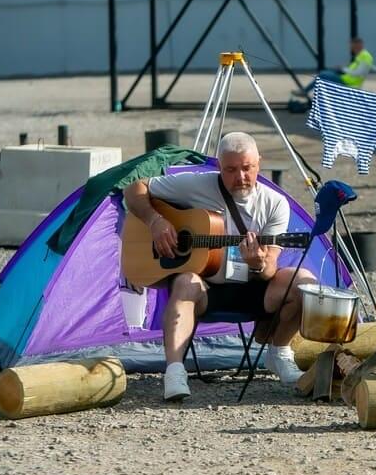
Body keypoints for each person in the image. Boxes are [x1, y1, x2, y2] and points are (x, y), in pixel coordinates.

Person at [123, 132, 314, 401]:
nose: (241, 177)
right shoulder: (196, 185)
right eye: (231, 170)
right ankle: (175, 370)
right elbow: (134, 190)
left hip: (255, 290)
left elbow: (269, 269)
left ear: (259, 162)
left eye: (247, 168)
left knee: (304, 282)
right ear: (218, 167)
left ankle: (279, 352)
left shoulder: (275, 204)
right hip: (205, 289)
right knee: (185, 281)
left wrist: (258, 264)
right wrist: (155, 221)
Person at [297, 37, 374, 96]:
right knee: (328, 72)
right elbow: (354, 69)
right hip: (345, 78)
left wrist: (344, 69)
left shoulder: (365, 56)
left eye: (352, 46)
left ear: (358, 45)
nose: (351, 48)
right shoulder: (360, 55)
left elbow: (358, 73)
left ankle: (305, 91)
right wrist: (342, 68)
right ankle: (309, 92)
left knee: (323, 75)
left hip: (348, 82)